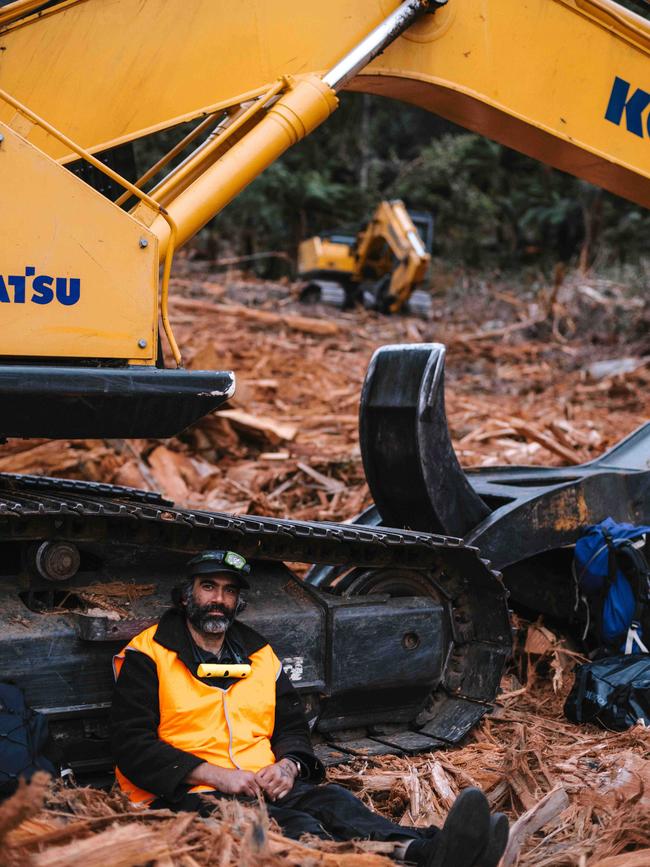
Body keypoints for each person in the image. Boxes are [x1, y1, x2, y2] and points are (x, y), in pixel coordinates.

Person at [111, 550, 509, 867]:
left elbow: (292, 728)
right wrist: (217, 776)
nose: (219, 599)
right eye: (208, 587)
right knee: (299, 828)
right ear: (185, 595)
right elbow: (132, 745)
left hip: (262, 783)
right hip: (190, 793)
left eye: (229, 591)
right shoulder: (149, 655)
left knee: (336, 803)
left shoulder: (259, 654)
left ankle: (429, 851)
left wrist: (288, 767)